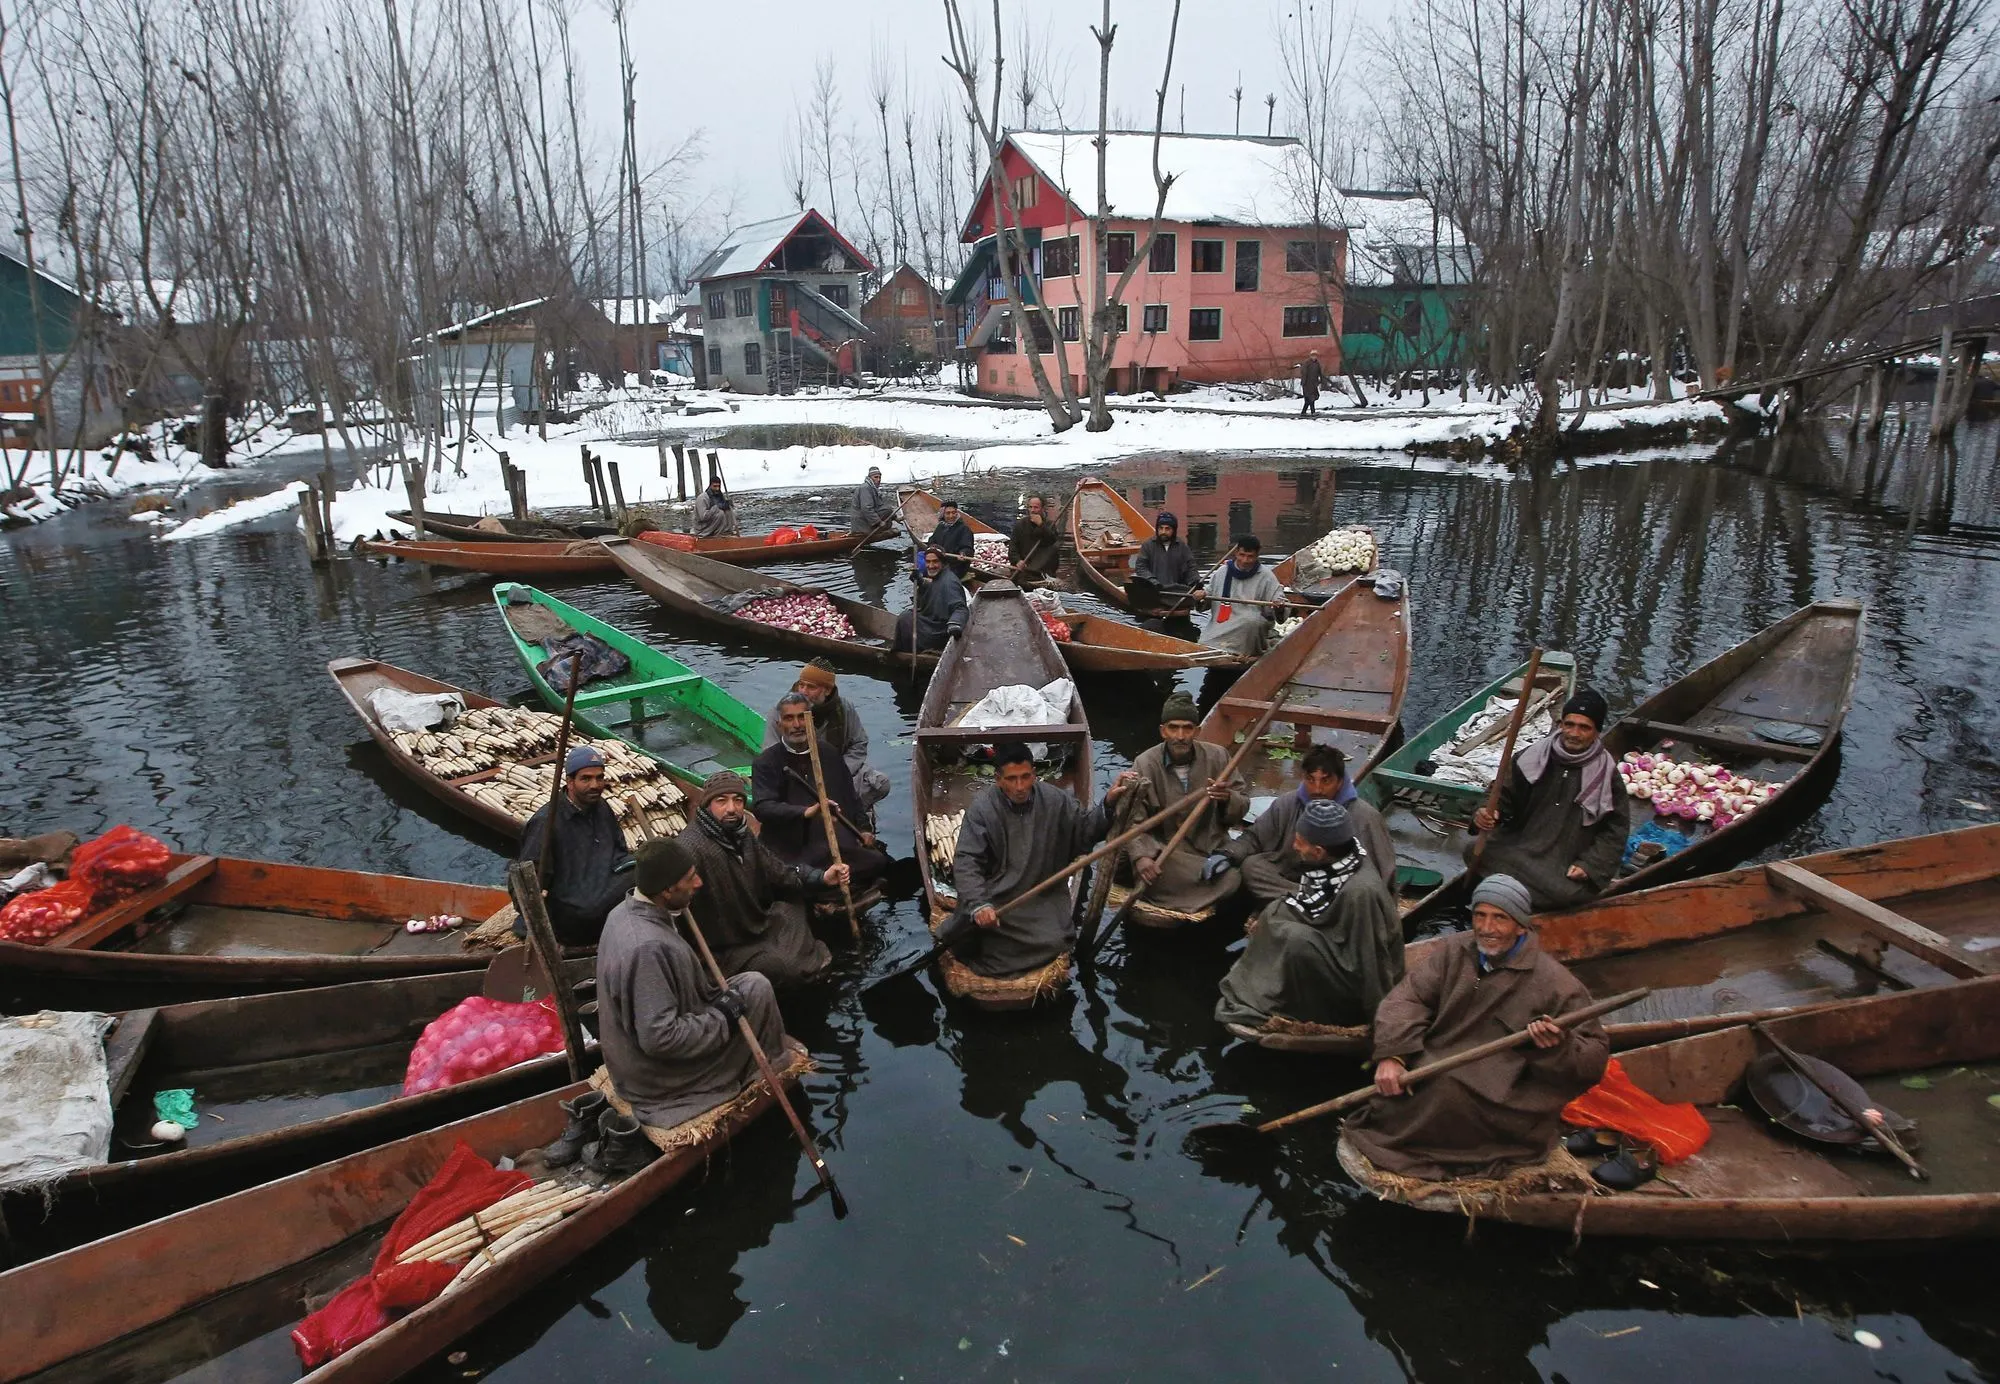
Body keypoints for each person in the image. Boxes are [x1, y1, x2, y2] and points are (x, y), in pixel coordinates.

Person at [1341, 874, 1610, 1181]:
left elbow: (1592, 1060)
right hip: (1437, 1057)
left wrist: (1557, 1048)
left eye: (1499, 918)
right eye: (1479, 915)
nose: (1486, 928)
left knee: (1445, 1088)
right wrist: (1394, 1055)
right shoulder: (1454, 951)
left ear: (1521, 925)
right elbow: (1408, 998)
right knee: (1401, 1090)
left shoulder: (1557, 984)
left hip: (1505, 1092)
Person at [592, 836, 790, 1130]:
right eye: (690, 878)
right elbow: (661, 1038)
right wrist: (721, 1016)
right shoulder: (646, 948)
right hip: (655, 1078)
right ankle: (762, 1075)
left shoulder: (623, 910)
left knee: (755, 985)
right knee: (755, 997)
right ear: (667, 889)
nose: (698, 883)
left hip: (643, 1046)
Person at [1214, 800, 1405, 1030]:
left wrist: (1381, 1024)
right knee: (1274, 916)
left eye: (1300, 843)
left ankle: (1306, 1006)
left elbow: (1372, 961)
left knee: (1295, 940)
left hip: (1355, 979)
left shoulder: (1360, 893)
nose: (1294, 846)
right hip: (1339, 946)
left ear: (1318, 852)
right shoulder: (1338, 860)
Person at [952, 741, 1138, 976]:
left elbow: (1084, 833)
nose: (1020, 786)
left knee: (1056, 940)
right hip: (998, 899)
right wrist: (980, 905)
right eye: (1011, 779)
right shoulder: (982, 810)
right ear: (998, 779)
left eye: (1025, 777)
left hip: (1041, 896)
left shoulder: (1055, 800)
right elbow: (967, 862)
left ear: (1034, 774)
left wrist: (1108, 804)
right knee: (975, 940)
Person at [674, 771, 840, 988]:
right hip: (721, 945)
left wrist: (821, 877)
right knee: (779, 966)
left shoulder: (742, 834)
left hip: (754, 923)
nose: (731, 808)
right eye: (721, 801)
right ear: (707, 805)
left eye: (738, 800)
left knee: (795, 906)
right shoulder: (689, 848)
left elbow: (777, 870)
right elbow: (674, 908)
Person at [1468, 688, 1630, 910]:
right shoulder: (1531, 757)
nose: (1574, 733)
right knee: (1473, 851)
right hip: (1519, 846)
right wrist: (1487, 811)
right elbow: (1501, 794)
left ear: (1596, 732)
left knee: (1564, 892)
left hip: (1562, 861)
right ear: (1561, 724)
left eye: (1584, 728)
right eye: (1569, 724)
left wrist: (1590, 866)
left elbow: (1615, 831)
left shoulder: (1608, 776)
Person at [1208, 744, 1397, 902]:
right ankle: (1309, 900)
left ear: (1340, 782)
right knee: (1251, 866)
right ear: (1303, 777)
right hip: (1294, 878)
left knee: (1355, 893)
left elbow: (1382, 872)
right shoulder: (1288, 803)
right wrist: (1227, 854)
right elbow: (1255, 838)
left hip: (1338, 885)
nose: (1317, 789)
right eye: (1310, 779)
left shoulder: (1365, 816)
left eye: (1326, 781)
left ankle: (1315, 903)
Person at [1122, 691, 1249, 916]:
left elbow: (1241, 808)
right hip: (1167, 853)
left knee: (1237, 877)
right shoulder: (1145, 764)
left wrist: (1227, 799)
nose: (1180, 736)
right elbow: (1131, 819)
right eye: (1173, 728)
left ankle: (1181, 892)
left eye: (1187, 728)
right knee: (1139, 866)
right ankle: (1184, 892)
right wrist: (1141, 857)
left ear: (1197, 731)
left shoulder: (1218, 757)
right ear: (1163, 731)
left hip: (1207, 847)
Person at [751, 692, 892, 894]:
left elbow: (850, 796)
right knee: (786, 873)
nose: (797, 724)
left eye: (802, 717)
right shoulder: (766, 762)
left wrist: (864, 828)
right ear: (779, 724)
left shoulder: (827, 753)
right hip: (790, 847)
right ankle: (823, 888)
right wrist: (805, 812)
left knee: (877, 861)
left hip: (829, 845)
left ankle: (827, 887)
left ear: (811, 721)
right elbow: (762, 808)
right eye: (789, 718)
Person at [516, 745, 631, 946]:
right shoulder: (546, 822)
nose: (595, 785)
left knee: (645, 870)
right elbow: (528, 880)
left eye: (599, 777)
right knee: (590, 911)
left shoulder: (601, 808)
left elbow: (619, 851)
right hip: (570, 909)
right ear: (570, 782)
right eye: (586, 779)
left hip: (599, 887)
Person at [760, 659, 891, 816]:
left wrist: (837, 773)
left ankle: (849, 814)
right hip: (797, 780)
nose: (803, 692)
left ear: (827, 691)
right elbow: (770, 751)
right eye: (801, 685)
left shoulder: (844, 708)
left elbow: (858, 744)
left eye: (811, 687)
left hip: (836, 775)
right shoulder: (780, 711)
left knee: (880, 783)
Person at [1197, 535, 1288, 658]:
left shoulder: (1266, 576)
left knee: (1250, 620)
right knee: (1204, 641)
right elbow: (1208, 595)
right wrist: (1201, 596)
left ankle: (1242, 654)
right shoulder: (1222, 571)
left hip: (1250, 626)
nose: (1245, 560)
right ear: (1236, 553)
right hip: (1222, 624)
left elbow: (1278, 602)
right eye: (1242, 555)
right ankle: (1214, 648)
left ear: (1257, 556)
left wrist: (1279, 607)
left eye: (1250, 557)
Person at [894, 543, 968, 653]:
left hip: (939, 632)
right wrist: (921, 581)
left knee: (906, 619)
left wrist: (955, 623)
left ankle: (911, 652)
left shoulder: (949, 582)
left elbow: (960, 608)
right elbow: (934, 589)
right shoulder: (940, 576)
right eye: (928, 562)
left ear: (942, 562)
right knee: (908, 615)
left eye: (935, 561)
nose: (931, 566)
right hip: (934, 624)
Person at [1130, 511, 1200, 610]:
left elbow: (1191, 567)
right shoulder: (1148, 545)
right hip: (1155, 592)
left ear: (1174, 530)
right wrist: (1152, 582)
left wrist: (1196, 583)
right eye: (1161, 528)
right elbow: (1141, 568)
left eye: (1167, 529)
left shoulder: (1182, 546)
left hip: (1175, 593)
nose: (1163, 532)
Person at [1008, 495, 1062, 580]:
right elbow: (1012, 547)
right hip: (1024, 567)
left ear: (1042, 508)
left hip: (1042, 569)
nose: (1032, 510)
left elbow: (1052, 541)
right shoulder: (1020, 525)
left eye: (1036, 507)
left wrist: (1041, 525)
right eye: (1030, 507)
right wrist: (1018, 561)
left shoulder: (1049, 525)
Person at [927, 497, 977, 577]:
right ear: (943, 514)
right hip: (941, 562)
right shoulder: (941, 526)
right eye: (948, 513)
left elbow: (967, 547)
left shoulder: (964, 529)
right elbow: (932, 541)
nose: (951, 516)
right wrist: (932, 548)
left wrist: (963, 553)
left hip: (956, 567)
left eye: (954, 513)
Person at [851, 466, 895, 536]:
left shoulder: (873, 488)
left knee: (888, 509)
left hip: (864, 520)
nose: (878, 480)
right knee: (888, 509)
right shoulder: (865, 488)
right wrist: (878, 522)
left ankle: (880, 528)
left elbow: (881, 506)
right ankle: (867, 531)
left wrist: (894, 517)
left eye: (879, 477)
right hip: (860, 523)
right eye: (876, 477)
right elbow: (866, 508)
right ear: (870, 478)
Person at [1300, 350, 1323, 417]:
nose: (1314, 357)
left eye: (1315, 355)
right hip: (1307, 383)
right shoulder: (1307, 363)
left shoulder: (1317, 363)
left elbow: (1320, 372)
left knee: (1309, 399)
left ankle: (1303, 412)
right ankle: (1313, 412)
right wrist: (1304, 383)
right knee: (1310, 398)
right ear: (1310, 356)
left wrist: (1320, 381)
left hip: (1313, 383)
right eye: (1313, 355)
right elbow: (1304, 373)